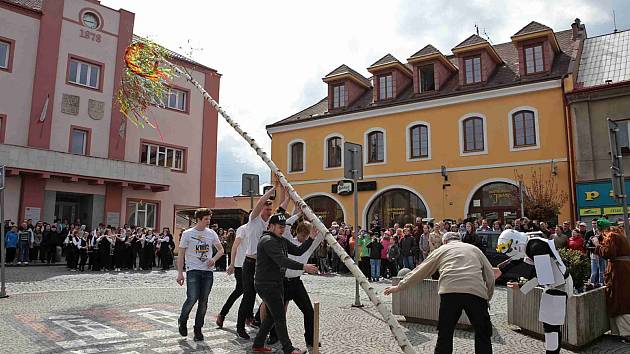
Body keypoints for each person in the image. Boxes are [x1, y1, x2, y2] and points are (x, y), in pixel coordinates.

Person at [384, 232, 495, 354]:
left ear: (445, 241)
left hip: (450, 292)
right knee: (483, 333)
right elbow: (490, 275)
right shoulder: (474, 249)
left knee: (445, 333)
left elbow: (420, 270)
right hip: (476, 292)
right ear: (460, 240)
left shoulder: (442, 249)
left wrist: (399, 287)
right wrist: (487, 298)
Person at [250, 212, 317, 354]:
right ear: (271, 226)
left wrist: (311, 238)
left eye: (283, 227)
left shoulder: (280, 240)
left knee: (272, 317)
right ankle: (289, 349)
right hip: (266, 284)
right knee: (279, 316)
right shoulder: (267, 240)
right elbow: (281, 260)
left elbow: (298, 251)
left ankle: (257, 345)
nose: (282, 229)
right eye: (279, 227)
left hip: (276, 282)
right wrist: (303, 267)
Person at [176, 208, 224, 342]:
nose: (208, 221)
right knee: (192, 298)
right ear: (198, 219)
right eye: (206, 219)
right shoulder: (187, 234)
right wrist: (180, 273)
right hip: (193, 271)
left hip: (207, 272)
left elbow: (221, 250)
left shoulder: (211, 233)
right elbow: (181, 254)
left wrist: (213, 259)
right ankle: (183, 319)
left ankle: (198, 329)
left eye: (209, 219)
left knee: (203, 302)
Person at [236, 185, 276, 339]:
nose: (268, 211)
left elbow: (282, 211)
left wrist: (285, 194)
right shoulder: (253, 220)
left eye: (270, 209)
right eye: (266, 209)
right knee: (248, 296)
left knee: (266, 296)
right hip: (250, 263)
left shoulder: (269, 225)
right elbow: (260, 202)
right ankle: (240, 327)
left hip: (263, 265)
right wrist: (271, 192)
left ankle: (265, 326)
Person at [591, 218, 630, 343]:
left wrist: (597, 244)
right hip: (622, 270)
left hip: (618, 272)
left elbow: (609, 253)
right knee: (622, 297)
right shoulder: (619, 234)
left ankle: (626, 333)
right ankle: (619, 332)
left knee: (619, 299)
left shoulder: (611, 235)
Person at [217, 222, 249, 328]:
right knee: (239, 290)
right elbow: (234, 247)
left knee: (251, 292)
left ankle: (249, 316)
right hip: (240, 265)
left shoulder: (261, 228)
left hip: (253, 265)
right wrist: (232, 264)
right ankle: (222, 314)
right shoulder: (243, 229)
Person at [585, 222, 606, 287]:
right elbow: (586, 245)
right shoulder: (591, 237)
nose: (598, 232)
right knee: (594, 271)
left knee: (601, 270)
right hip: (594, 254)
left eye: (599, 231)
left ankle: (601, 282)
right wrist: (591, 243)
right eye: (597, 231)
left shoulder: (603, 237)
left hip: (601, 254)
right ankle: (592, 283)